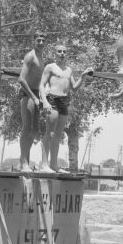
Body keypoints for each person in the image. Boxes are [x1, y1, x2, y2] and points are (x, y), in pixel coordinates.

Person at [39, 44, 93, 174]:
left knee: (58, 134)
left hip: (64, 100)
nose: (62, 53)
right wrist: (44, 101)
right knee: (50, 132)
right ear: (55, 53)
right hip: (52, 99)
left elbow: (74, 88)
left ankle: (54, 165)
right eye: (59, 51)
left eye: (64, 51)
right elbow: (41, 85)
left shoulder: (69, 70)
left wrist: (83, 76)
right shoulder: (50, 67)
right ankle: (44, 164)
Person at [18, 31, 47, 173]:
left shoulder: (42, 58)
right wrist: (33, 97)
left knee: (35, 130)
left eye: (43, 40)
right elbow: (21, 79)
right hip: (27, 94)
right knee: (27, 127)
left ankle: (24, 159)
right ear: (33, 41)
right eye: (38, 40)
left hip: (36, 94)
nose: (40, 42)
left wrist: (42, 96)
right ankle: (23, 162)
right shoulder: (30, 56)